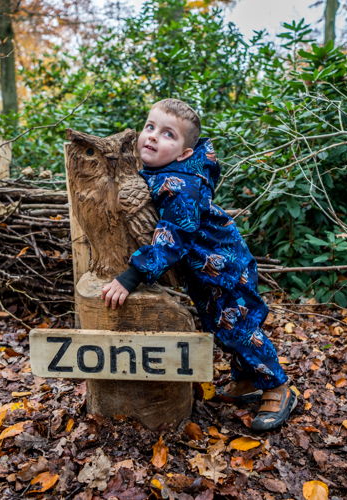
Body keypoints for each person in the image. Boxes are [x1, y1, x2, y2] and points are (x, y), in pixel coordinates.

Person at [100, 98, 296, 431]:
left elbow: (174, 236)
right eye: (150, 127)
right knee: (218, 327)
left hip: (227, 270)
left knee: (240, 330)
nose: (152, 137)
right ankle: (246, 381)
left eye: (167, 134)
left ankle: (277, 386)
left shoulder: (182, 186)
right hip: (206, 272)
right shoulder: (160, 171)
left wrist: (132, 275)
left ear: (184, 153)